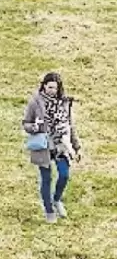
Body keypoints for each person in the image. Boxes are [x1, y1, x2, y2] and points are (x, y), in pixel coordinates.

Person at [22, 72, 82, 223]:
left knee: (64, 174)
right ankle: (49, 211)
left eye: (55, 88)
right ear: (43, 86)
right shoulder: (35, 102)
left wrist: (76, 146)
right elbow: (26, 123)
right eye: (49, 87)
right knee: (46, 178)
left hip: (61, 144)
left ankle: (57, 199)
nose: (52, 91)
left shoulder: (65, 103)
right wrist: (34, 127)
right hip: (44, 144)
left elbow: (70, 126)